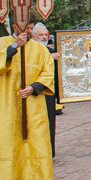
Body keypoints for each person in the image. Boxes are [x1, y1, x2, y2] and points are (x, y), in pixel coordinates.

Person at [0, 28, 57, 180]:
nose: (27, 30)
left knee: (36, 140)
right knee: (9, 141)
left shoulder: (39, 49)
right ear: (14, 27)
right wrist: (14, 47)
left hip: (33, 103)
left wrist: (34, 87)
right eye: (23, 27)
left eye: (30, 27)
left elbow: (48, 71)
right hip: (7, 104)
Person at [32, 23, 61, 153]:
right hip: (35, 90)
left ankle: (49, 150)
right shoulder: (30, 49)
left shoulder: (50, 49)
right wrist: (50, 57)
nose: (44, 37)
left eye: (45, 35)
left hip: (49, 90)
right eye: (40, 35)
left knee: (49, 121)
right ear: (33, 37)